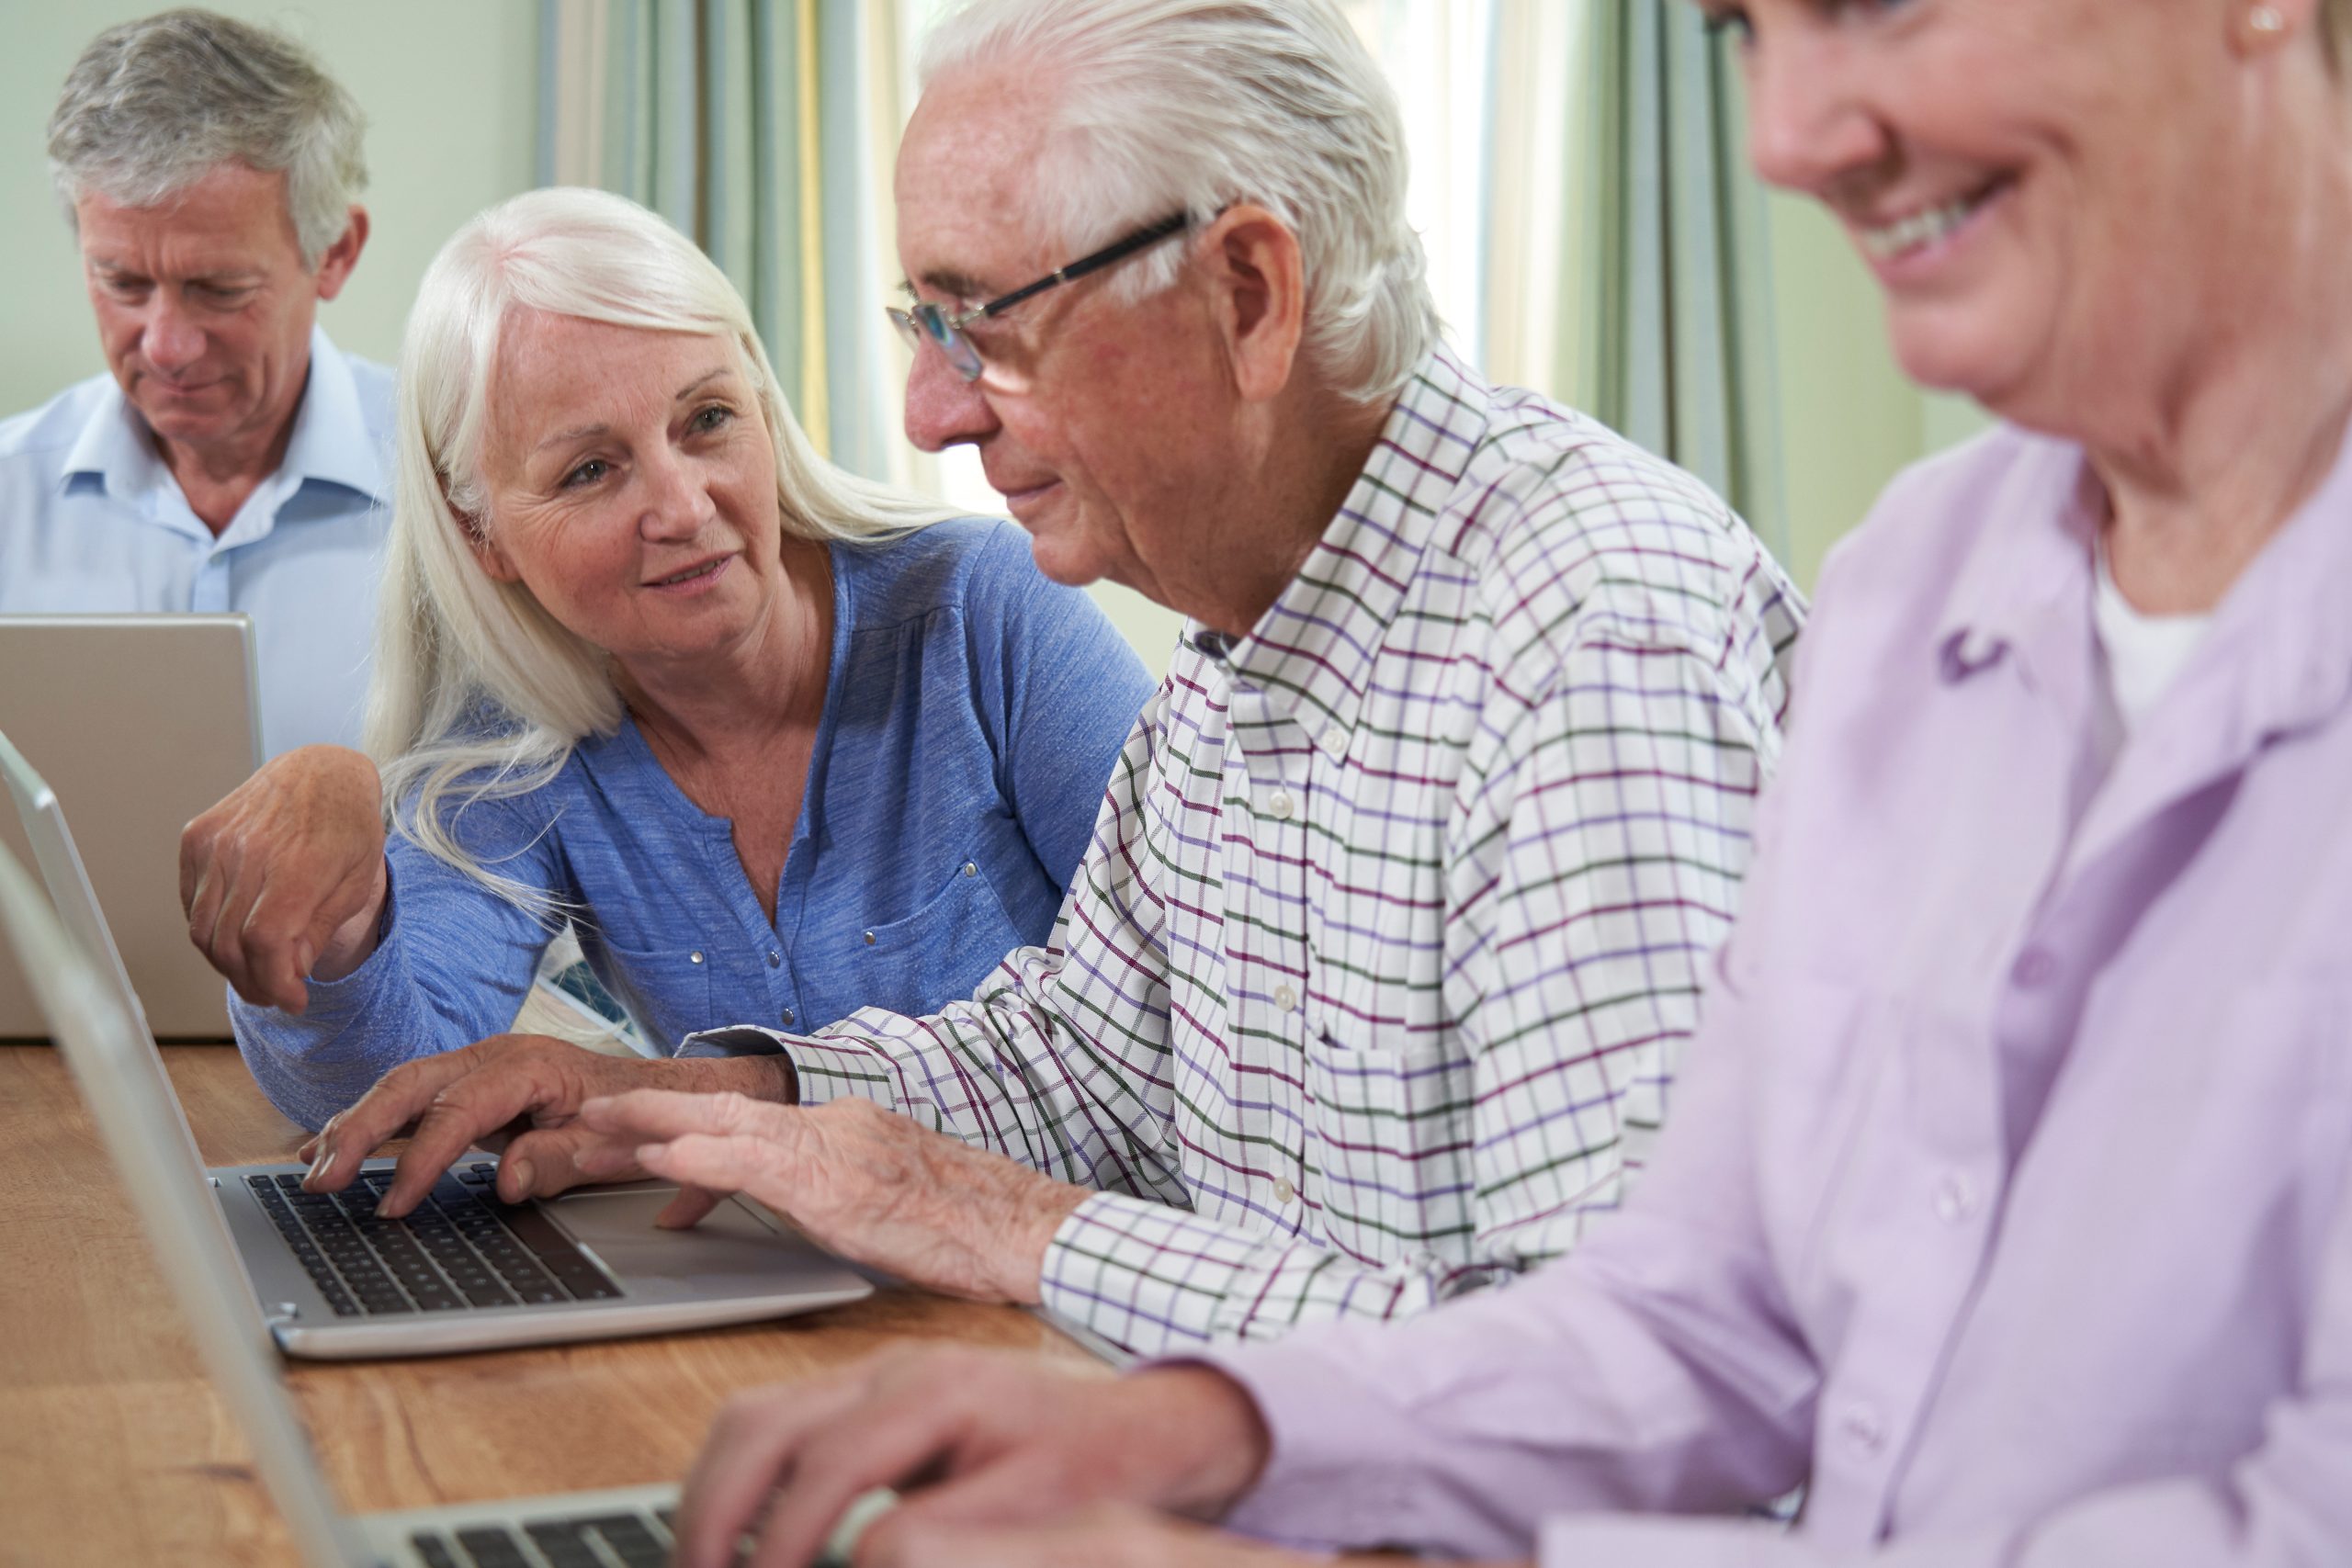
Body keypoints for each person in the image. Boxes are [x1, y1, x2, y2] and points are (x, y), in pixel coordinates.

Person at [650, 0, 2352, 1563]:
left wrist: (1092, 1341)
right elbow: (1697, 1324)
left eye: (1873, 7)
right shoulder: (1928, 578)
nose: (1782, 140)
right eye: (1745, 30)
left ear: (1248, 295)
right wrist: (1201, 1428)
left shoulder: (1595, 623)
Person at [297, 0, 1802, 1359]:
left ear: (1248, 295)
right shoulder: (1241, 635)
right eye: (924, 323)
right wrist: (695, 1101)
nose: (928, 412)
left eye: (987, 325)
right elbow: (1086, 1054)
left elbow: (1649, 1365)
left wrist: (1006, 1223)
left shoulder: (1585, 640)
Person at [185, 186, 1152, 1135]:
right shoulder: (517, 739)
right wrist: (346, 919)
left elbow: (1186, 1007)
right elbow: (380, 1094)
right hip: (755, 1245)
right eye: (589, 470)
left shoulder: (986, 610)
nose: (684, 508)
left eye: (708, 420)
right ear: (480, 535)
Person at [0, 8, 389, 758]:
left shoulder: (461, 497)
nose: (166, 346)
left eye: (218, 289)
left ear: (336, 253)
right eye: (122, 283)